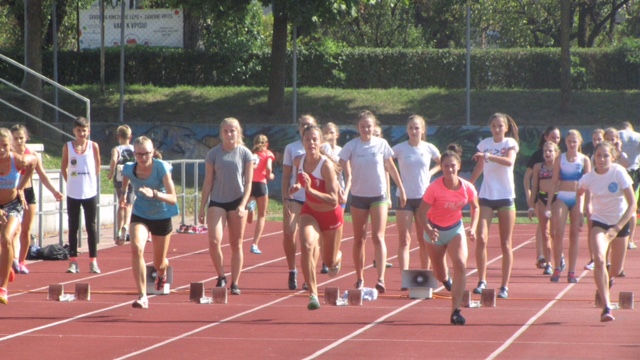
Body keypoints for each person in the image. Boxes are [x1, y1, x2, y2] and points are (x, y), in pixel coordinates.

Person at [339, 110, 407, 292]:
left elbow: (391, 167)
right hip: (359, 196)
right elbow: (341, 160)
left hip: (379, 195)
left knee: (378, 236)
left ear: (374, 127)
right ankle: (360, 278)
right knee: (359, 239)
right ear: (357, 128)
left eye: (369, 126)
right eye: (362, 126)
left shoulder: (382, 144)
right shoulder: (352, 145)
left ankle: (381, 278)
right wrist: (347, 173)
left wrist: (400, 188)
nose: (366, 130)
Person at [417, 144, 479, 325]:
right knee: (439, 273)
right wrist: (429, 230)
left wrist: (473, 227)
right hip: (434, 231)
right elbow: (421, 214)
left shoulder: (467, 187)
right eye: (445, 166)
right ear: (441, 168)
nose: (449, 169)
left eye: (452, 166)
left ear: (458, 166)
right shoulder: (434, 188)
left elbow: (475, 207)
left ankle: (456, 311)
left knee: (460, 264)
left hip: (454, 230)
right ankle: (445, 279)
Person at [577, 141, 635, 322]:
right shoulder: (588, 178)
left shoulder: (619, 172)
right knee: (600, 259)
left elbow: (632, 205)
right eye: (598, 155)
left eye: (606, 155)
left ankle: (606, 279)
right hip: (599, 222)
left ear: (613, 157)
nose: (601, 159)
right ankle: (607, 306)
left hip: (619, 223)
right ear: (594, 157)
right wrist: (582, 211)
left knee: (616, 269)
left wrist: (617, 228)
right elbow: (579, 192)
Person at [120, 136, 179, 309]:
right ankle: (142, 296)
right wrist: (123, 196)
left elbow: (173, 198)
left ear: (152, 152)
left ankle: (162, 273)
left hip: (162, 215)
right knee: (137, 247)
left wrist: (155, 194)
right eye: (139, 154)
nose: (143, 158)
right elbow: (125, 183)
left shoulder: (161, 168)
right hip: (140, 214)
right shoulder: (129, 169)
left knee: (159, 264)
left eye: (146, 154)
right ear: (134, 154)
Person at [199, 118, 254, 296]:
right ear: (221, 133)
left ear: (238, 132)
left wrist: (243, 204)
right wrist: (201, 207)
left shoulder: (245, 153)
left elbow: (249, 183)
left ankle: (235, 282)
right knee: (214, 241)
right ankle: (221, 275)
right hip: (217, 201)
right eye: (226, 131)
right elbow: (208, 182)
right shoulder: (213, 154)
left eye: (232, 131)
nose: (229, 134)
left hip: (237, 201)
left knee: (236, 244)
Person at [291, 125, 343, 310]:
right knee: (306, 245)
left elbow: (333, 199)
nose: (311, 143)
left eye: (314, 139)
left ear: (320, 142)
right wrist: (297, 187)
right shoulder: (299, 160)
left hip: (330, 215)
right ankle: (313, 294)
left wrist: (310, 189)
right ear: (302, 142)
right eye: (307, 139)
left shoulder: (326, 165)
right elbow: (301, 179)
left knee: (329, 263)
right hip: (310, 212)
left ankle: (337, 257)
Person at [469, 113, 519, 299]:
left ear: (505, 127)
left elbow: (509, 162)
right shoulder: (485, 144)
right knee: (481, 237)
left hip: (505, 196)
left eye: (500, 126)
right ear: (490, 128)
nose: (497, 129)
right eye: (494, 126)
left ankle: (504, 285)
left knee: (505, 243)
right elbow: (480, 166)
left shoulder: (510, 144)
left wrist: (488, 155)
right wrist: (470, 184)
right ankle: (482, 280)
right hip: (487, 196)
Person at [392, 115, 441, 287]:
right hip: (404, 196)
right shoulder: (400, 148)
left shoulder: (428, 148)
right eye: (411, 128)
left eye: (417, 128)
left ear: (423, 130)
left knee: (423, 238)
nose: (414, 131)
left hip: (424, 198)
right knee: (404, 239)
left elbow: (442, 162)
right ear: (407, 130)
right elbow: (386, 161)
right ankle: (405, 279)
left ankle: (424, 275)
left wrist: (431, 172)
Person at [9, 125, 63, 275]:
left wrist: (54, 191)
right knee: (15, 230)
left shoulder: (32, 155)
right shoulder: (10, 156)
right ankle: (13, 260)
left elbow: (43, 175)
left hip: (28, 192)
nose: (19, 141)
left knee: (26, 230)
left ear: (26, 137)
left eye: (21, 138)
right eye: (15, 138)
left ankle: (22, 261)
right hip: (13, 194)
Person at [545, 129, 591, 283]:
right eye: (569, 141)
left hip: (578, 199)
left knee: (574, 235)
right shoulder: (560, 158)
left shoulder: (584, 160)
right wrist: (548, 204)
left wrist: (587, 207)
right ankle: (557, 267)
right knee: (558, 232)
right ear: (565, 142)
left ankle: (571, 271)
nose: (572, 144)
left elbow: (589, 185)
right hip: (562, 197)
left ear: (579, 142)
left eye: (574, 141)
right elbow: (554, 183)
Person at [0, 127, 36, 304]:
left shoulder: (18, 160)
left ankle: (3, 288)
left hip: (13, 205)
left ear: (10, 145)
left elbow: (34, 162)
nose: (1, 150)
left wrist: (21, 187)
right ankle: (6, 266)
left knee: (6, 237)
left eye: (5, 146)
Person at [61, 116, 101, 274]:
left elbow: (97, 166)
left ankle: (93, 261)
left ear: (88, 131)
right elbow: (63, 167)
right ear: (74, 131)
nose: (82, 133)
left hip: (90, 192)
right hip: (73, 192)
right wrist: (70, 181)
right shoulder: (68, 146)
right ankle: (73, 261)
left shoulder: (93, 146)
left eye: (84, 131)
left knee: (91, 227)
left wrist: (89, 179)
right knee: (73, 226)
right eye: (79, 131)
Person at [282, 115, 317, 290]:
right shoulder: (291, 148)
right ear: (298, 127)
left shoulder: (320, 146)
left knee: (309, 240)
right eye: (303, 124)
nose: (306, 127)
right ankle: (292, 269)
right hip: (296, 197)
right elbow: (286, 175)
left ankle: (309, 275)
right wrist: (285, 198)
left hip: (315, 197)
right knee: (289, 231)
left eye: (310, 124)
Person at [523, 126, 561, 270]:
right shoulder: (538, 162)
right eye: (553, 137)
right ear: (545, 137)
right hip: (541, 199)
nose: (547, 153)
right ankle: (545, 259)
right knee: (544, 231)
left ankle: (559, 256)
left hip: (557, 199)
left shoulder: (561, 162)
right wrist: (530, 201)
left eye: (558, 138)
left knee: (555, 231)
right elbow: (531, 180)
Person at [106, 125, 135, 245]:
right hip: (133, 175)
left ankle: (119, 228)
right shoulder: (134, 148)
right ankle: (126, 226)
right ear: (130, 137)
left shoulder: (116, 149)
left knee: (121, 202)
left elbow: (113, 160)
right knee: (129, 204)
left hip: (119, 175)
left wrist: (111, 172)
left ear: (118, 136)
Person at [248, 134, 275, 255]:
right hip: (261, 185)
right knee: (262, 215)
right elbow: (269, 167)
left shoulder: (251, 154)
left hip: (250, 184)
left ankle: (250, 206)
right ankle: (255, 244)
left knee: (248, 219)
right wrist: (270, 175)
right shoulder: (268, 153)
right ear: (267, 144)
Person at [584, 129, 605, 271]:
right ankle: (593, 258)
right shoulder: (592, 158)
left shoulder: (609, 158)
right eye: (594, 139)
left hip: (610, 201)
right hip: (595, 198)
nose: (596, 142)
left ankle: (608, 260)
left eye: (599, 139)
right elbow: (588, 183)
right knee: (591, 229)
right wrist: (588, 203)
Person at [618, 122, 640, 250]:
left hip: (618, 171)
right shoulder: (638, 136)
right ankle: (630, 239)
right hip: (633, 171)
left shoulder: (616, 135)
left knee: (619, 203)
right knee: (632, 204)